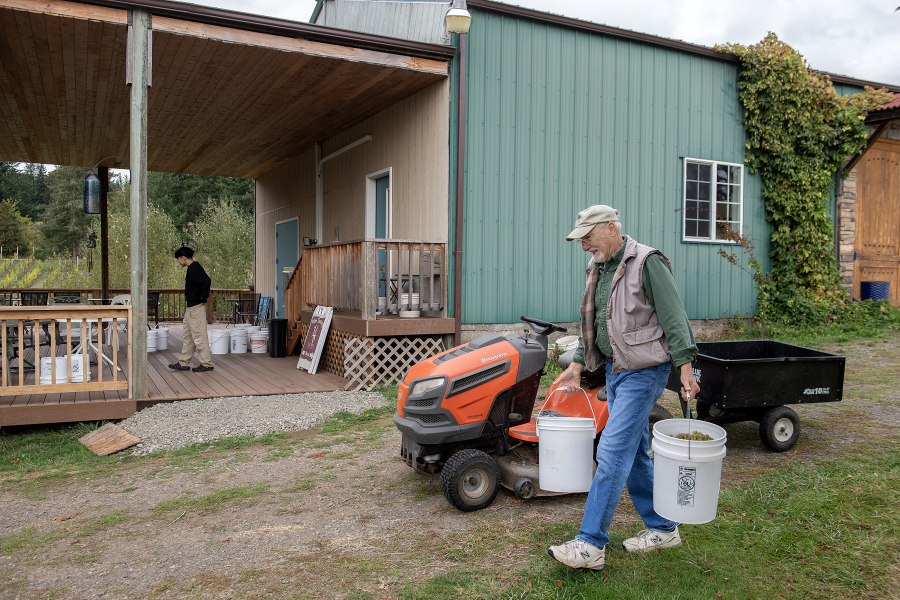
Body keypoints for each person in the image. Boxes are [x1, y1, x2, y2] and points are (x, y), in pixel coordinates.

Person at [547, 205, 700, 571]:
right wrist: (579, 365)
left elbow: (674, 318)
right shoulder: (598, 267)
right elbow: (594, 324)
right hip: (615, 372)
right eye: (581, 239)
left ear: (612, 229)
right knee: (631, 454)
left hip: (644, 372)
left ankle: (590, 544)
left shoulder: (648, 263)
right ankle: (663, 528)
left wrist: (685, 369)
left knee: (612, 451)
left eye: (588, 237)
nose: (584, 245)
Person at [169, 246, 214, 373]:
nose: (178, 261)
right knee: (188, 336)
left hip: (196, 307)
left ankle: (206, 363)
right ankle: (184, 362)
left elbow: (206, 281)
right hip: (190, 307)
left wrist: (203, 297)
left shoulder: (194, 268)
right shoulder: (192, 269)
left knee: (199, 336)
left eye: (178, 259)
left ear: (183, 257)